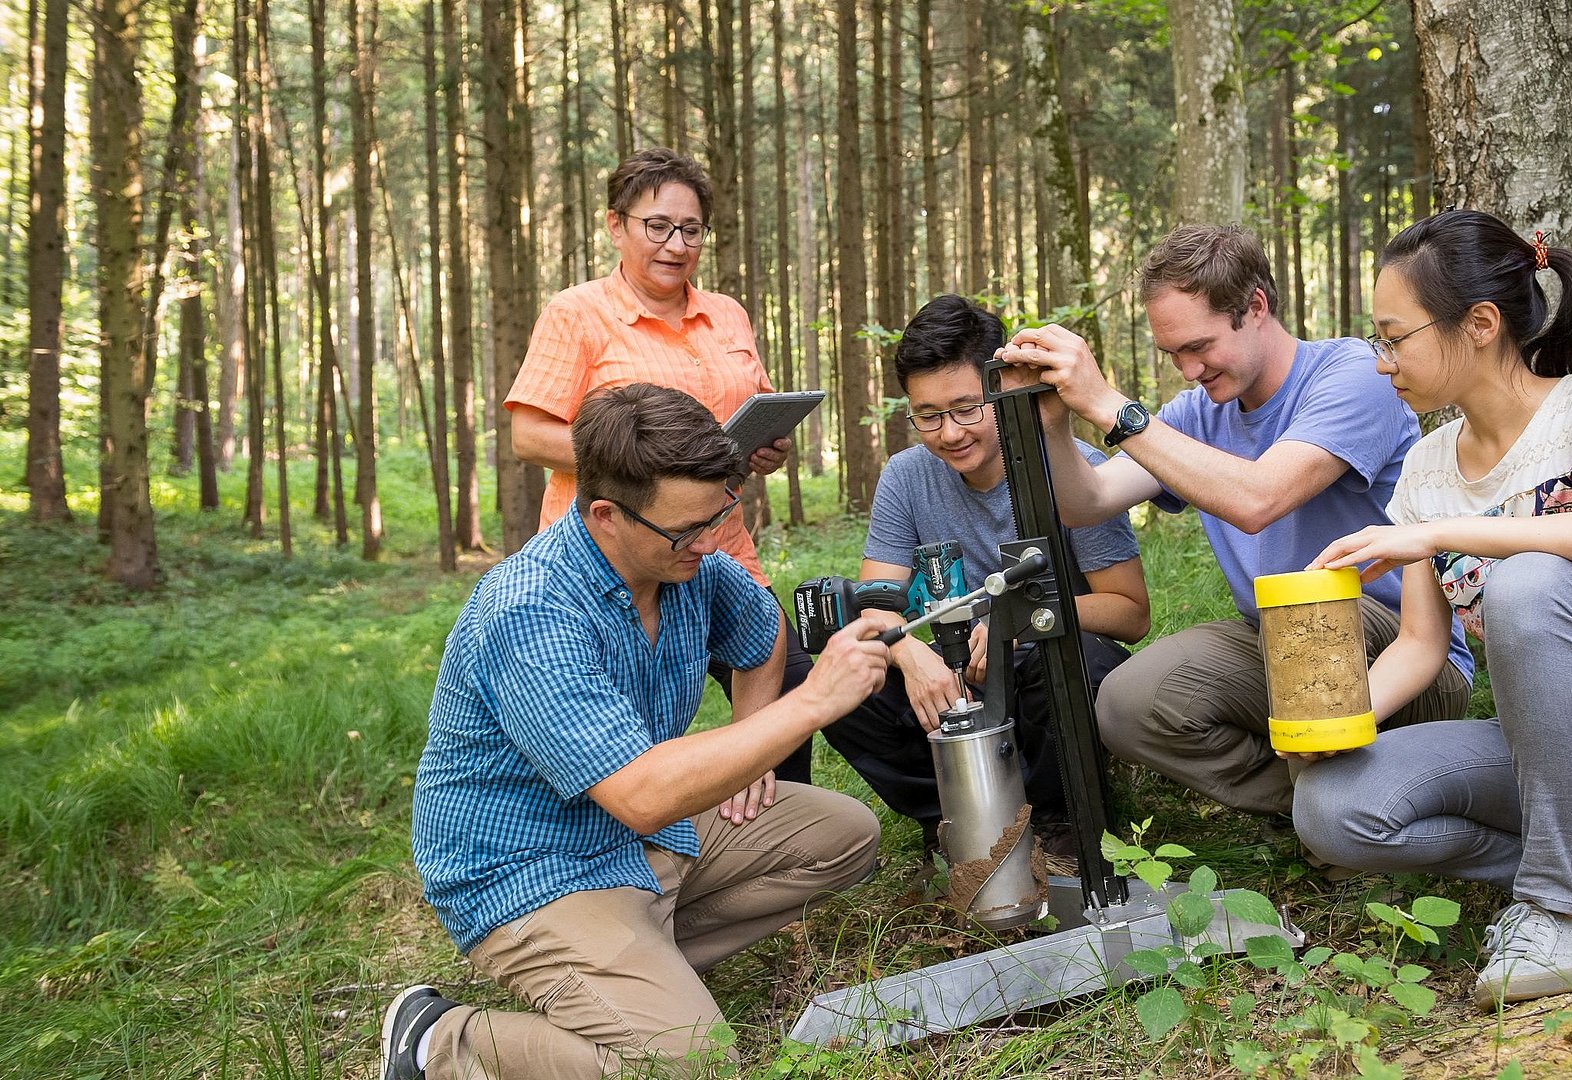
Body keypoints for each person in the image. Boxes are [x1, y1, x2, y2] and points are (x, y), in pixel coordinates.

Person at [1289, 210, 1572, 1010]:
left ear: (1479, 324)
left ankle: (1557, 911)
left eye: (1395, 338)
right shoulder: (1428, 468)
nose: (1380, 361)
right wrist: (1324, 725)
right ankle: (1567, 862)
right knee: (1331, 808)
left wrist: (1443, 533)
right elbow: (1423, 646)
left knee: (1528, 579)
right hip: (1546, 756)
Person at [381, 384, 892, 1079]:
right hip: (532, 868)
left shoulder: (689, 564)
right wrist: (806, 708)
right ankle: (441, 1041)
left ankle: (637, 961)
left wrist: (751, 746)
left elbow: (763, 631)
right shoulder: (531, 611)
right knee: (692, 1063)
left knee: (844, 836)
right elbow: (644, 795)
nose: (711, 544)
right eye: (688, 530)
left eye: (720, 516)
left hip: (640, 837)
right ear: (605, 516)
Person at [996, 224, 1472, 825]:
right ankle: (1321, 805)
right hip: (1277, 638)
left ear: (1255, 307)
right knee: (1128, 702)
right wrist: (1055, 423)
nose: (1188, 370)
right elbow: (1087, 500)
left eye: (1199, 346)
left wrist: (1106, 403)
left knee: (1304, 616)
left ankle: (1354, 814)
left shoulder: (1354, 376)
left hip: (1403, 654)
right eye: (1172, 354)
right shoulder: (1199, 413)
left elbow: (1258, 498)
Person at [503, 146, 826, 784]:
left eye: (691, 230)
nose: (675, 244)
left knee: (783, 677)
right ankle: (627, 845)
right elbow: (529, 433)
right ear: (616, 225)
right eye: (657, 226)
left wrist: (767, 448)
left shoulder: (728, 314)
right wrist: (642, 466)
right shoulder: (578, 314)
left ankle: (777, 831)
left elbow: (744, 417)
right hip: (616, 550)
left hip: (721, 543)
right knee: (623, 715)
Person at [821, 295, 1151, 860]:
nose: (949, 433)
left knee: (1079, 658)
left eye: (968, 408)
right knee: (843, 671)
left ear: (1001, 388)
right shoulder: (906, 477)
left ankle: (1058, 823)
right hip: (959, 681)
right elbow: (877, 605)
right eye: (928, 415)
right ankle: (953, 817)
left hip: (1041, 671)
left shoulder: (1074, 471)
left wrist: (1019, 619)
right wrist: (907, 654)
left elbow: (1129, 612)